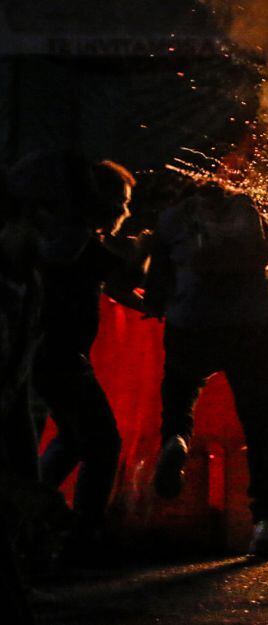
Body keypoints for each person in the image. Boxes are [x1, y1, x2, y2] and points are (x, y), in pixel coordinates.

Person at [144, 185, 268, 560]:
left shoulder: (173, 219)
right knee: (260, 421)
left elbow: (157, 283)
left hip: (193, 324)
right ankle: (264, 524)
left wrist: (159, 303)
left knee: (180, 387)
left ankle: (176, 438)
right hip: (253, 325)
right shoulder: (249, 212)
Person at [10, 152, 140, 559]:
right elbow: (130, 278)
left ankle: (34, 524)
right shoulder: (76, 237)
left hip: (51, 358)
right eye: (119, 199)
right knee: (102, 443)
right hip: (59, 358)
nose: (125, 209)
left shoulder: (79, 240)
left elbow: (121, 287)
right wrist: (155, 248)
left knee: (71, 438)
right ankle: (79, 537)